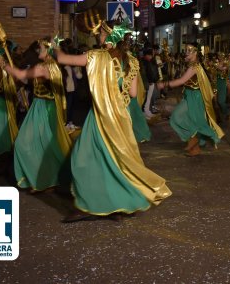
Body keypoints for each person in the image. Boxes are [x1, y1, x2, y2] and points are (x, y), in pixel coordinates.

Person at [56, 22, 171, 222]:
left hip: (100, 116)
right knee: (116, 160)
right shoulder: (132, 62)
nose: (98, 36)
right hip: (121, 117)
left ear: (107, 37)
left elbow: (62, 58)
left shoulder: (95, 56)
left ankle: (87, 205)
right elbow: (134, 93)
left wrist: (53, 45)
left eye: (100, 33)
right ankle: (119, 204)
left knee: (82, 158)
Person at [4, 39, 73, 192]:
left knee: (25, 144)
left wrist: (4, 64)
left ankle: (42, 179)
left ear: (48, 50)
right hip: (42, 106)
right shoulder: (52, 65)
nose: (38, 51)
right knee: (45, 145)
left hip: (43, 108)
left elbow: (20, 74)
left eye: (41, 48)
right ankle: (45, 178)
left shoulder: (43, 67)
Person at [156, 43, 224, 156]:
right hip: (190, 95)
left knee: (178, 118)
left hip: (195, 97)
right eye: (185, 50)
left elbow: (181, 81)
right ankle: (194, 144)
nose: (186, 52)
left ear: (196, 52)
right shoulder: (191, 65)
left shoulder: (195, 66)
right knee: (185, 119)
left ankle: (194, 141)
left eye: (189, 50)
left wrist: (164, 84)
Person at [140, 48, 159, 118]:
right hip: (148, 83)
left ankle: (147, 111)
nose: (152, 56)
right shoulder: (145, 62)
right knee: (146, 98)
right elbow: (146, 73)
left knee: (148, 98)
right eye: (150, 55)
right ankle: (145, 111)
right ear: (146, 55)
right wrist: (150, 81)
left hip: (150, 82)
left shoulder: (149, 61)